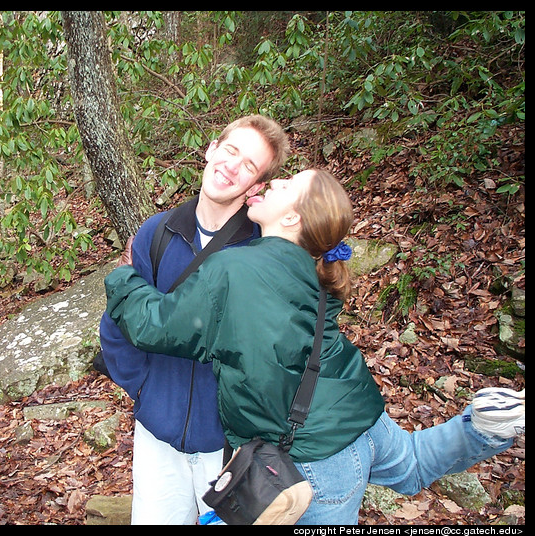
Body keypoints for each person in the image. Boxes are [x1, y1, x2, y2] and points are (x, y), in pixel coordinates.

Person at [104, 169, 524, 525]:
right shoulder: (310, 272)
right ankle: (485, 425)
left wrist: (124, 278)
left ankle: (487, 422)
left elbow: (156, 327)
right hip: (362, 420)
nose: (275, 182)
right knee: (412, 465)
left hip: (314, 458)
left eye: (287, 185)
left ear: (291, 216)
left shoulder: (234, 268)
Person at [98, 115, 290, 524]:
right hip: (156, 439)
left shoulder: (260, 251)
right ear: (211, 150)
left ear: (256, 186)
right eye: (230, 151)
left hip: (228, 451)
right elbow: (117, 324)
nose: (232, 166)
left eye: (250, 165)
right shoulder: (158, 233)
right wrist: (145, 388)